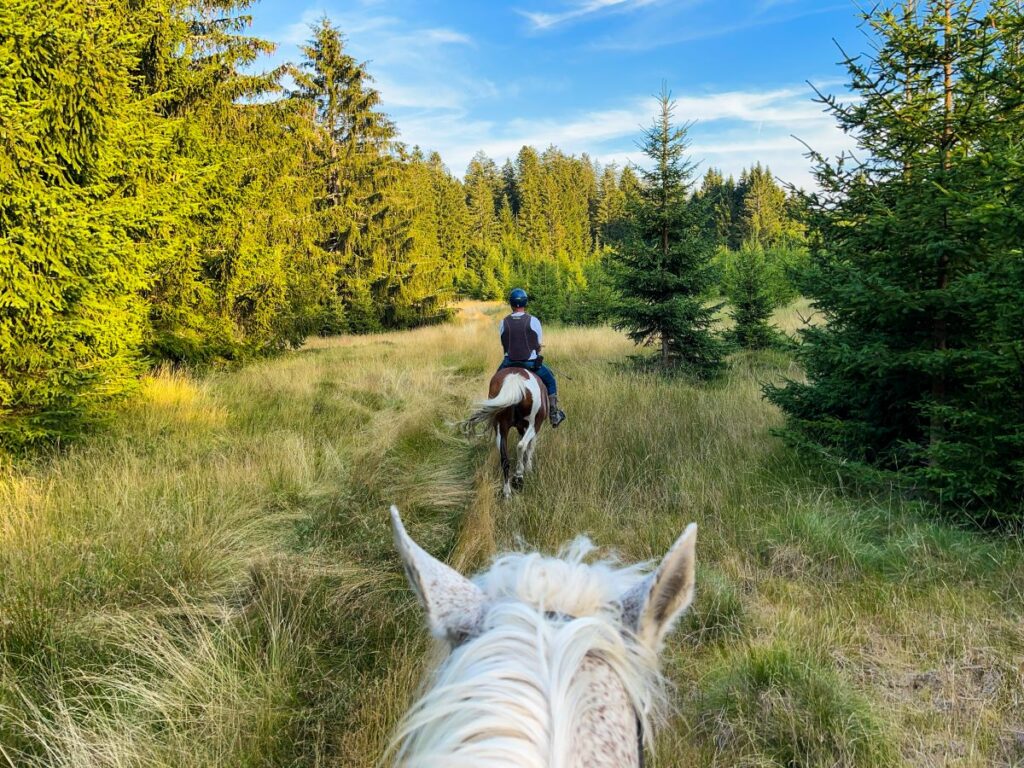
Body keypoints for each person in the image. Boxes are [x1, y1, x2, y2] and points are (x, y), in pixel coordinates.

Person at [497, 288, 566, 427]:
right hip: (530, 364)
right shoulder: (533, 321)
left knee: (495, 382)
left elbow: (504, 343)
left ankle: (494, 413)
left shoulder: (503, 322)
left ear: (511, 303)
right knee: (551, 381)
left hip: (509, 363)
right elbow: (538, 345)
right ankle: (554, 415)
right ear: (525, 303)